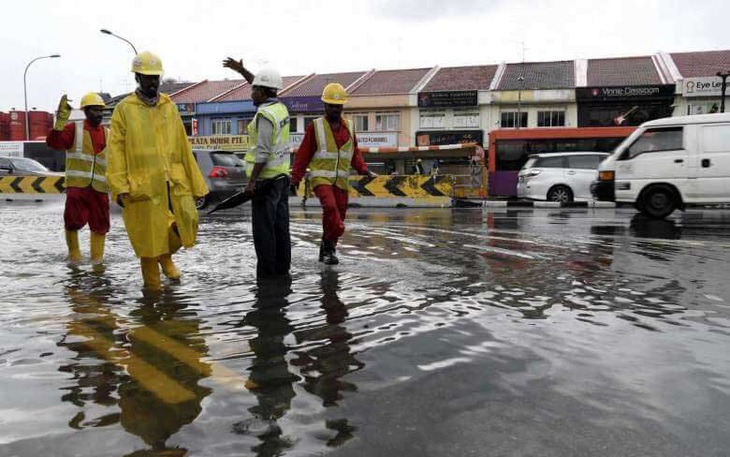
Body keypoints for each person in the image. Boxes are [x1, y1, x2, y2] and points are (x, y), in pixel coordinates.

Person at [107, 51, 209, 289]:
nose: (153, 82)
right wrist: (120, 187)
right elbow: (116, 151)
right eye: (148, 77)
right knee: (148, 239)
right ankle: (152, 292)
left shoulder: (169, 107)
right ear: (138, 78)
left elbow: (184, 146)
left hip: (174, 179)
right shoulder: (124, 109)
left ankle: (166, 255)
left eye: (156, 77)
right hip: (142, 182)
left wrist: (197, 184)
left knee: (187, 223)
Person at [290, 82, 377, 265]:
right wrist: (296, 178)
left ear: (342, 106)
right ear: (325, 106)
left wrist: (364, 169)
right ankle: (332, 241)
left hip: (341, 181)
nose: (335, 109)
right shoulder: (316, 127)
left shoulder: (350, 127)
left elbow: (354, 153)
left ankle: (327, 249)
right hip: (321, 178)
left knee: (338, 214)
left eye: (338, 106)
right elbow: (304, 154)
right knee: (330, 210)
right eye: (331, 106)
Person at [223, 57, 292, 278]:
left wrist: (252, 181)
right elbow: (260, 84)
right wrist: (243, 71)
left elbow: (262, 152)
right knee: (281, 228)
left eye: (254, 91)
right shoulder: (279, 107)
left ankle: (267, 276)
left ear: (262, 93)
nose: (251, 93)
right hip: (281, 179)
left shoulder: (264, 115)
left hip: (265, 181)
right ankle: (283, 270)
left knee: (263, 231)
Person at [47, 92, 110, 266]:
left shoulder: (108, 134)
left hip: (100, 189)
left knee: (101, 225)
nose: (97, 114)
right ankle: (74, 257)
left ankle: (97, 260)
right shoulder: (74, 129)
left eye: (100, 110)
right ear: (85, 111)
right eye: (94, 110)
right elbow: (54, 143)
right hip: (78, 188)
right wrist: (59, 123)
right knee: (72, 222)